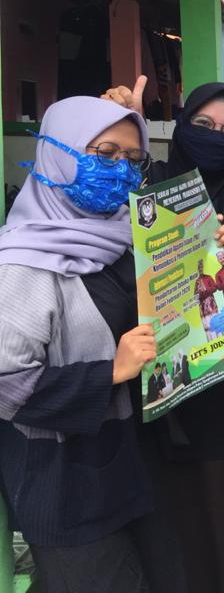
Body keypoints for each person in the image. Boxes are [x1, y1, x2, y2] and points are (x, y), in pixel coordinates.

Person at [104, 77, 224, 593]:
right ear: (183, 127)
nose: (218, 136)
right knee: (173, 530)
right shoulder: (148, 186)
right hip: (156, 389)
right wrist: (131, 129)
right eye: (205, 125)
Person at [0, 97, 186, 593]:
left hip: (133, 470)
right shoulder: (21, 263)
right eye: (104, 153)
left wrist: (207, 256)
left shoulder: (123, 239)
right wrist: (110, 370)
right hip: (66, 489)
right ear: (58, 154)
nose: (119, 170)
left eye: (131, 158)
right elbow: (7, 386)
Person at [195, 258, 220, 339]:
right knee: (208, 328)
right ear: (197, 269)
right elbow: (195, 296)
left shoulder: (208, 277)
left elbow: (215, 287)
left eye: (201, 267)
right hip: (203, 308)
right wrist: (201, 293)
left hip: (211, 305)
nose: (200, 269)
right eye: (199, 267)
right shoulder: (197, 282)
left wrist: (206, 291)